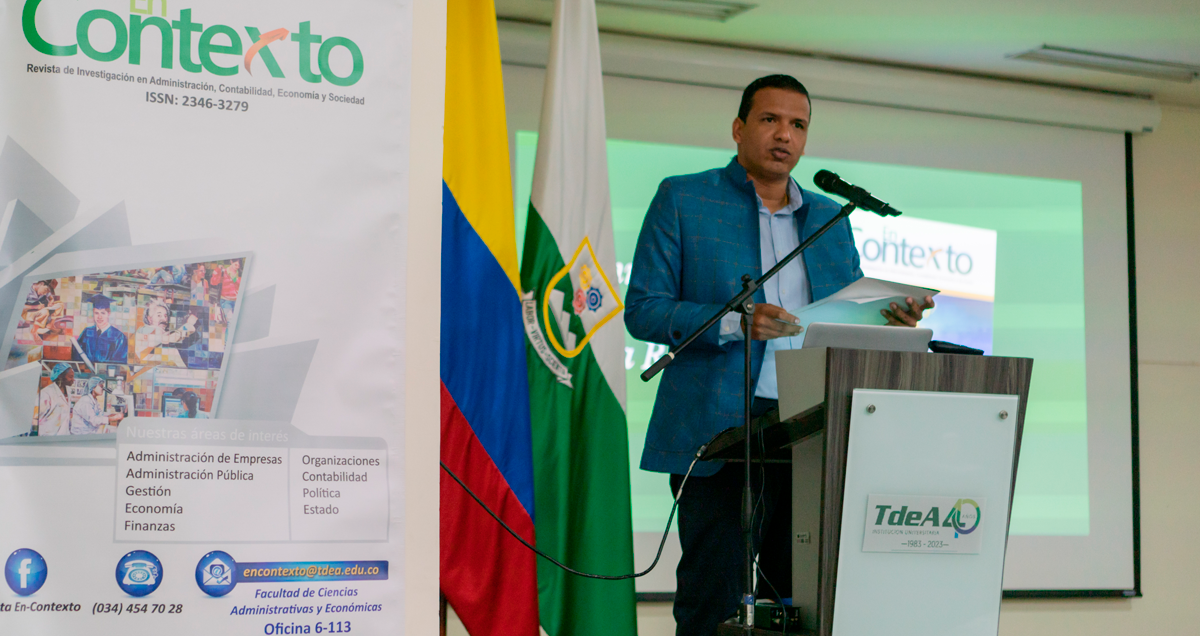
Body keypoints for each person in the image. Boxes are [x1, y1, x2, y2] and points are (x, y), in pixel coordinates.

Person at [625, 74, 933, 636]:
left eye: (798, 124)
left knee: (805, 603)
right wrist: (735, 320)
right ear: (740, 129)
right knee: (713, 599)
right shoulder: (685, 197)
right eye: (770, 120)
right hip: (719, 431)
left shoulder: (828, 218)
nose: (784, 135)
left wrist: (888, 317)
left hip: (810, 427)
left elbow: (845, 314)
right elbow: (644, 309)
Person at [135, 299, 198, 364]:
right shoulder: (148, 329)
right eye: (159, 315)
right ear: (149, 319)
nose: (164, 319)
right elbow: (171, 338)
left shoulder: (155, 332)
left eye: (165, 316)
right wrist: (187, 325)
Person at [73, 295, 129, 365]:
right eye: (96, 313)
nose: (99, 317)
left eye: (103, 313)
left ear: (108, 313)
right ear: (93, 314)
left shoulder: (118, 336)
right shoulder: (87, 332)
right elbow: (76, 355)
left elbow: (120, 362)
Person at [36, 362, 74, 436]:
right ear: (60, 376)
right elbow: (36, 419)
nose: (73, 379)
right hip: (48, 437)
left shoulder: (68, 391)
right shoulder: (46, 393)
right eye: (70, 376)